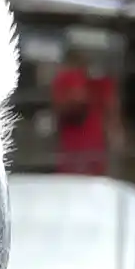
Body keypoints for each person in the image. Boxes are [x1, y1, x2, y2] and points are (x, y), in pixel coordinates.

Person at [50, 47, 123, 176]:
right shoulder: (64, 81)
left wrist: (114, 131)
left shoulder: (100, 84)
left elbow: (111, 108)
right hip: (73, 148)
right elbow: (62, 107)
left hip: (91, 148)